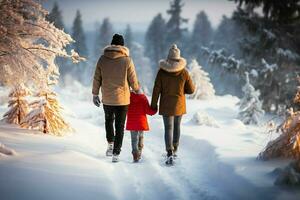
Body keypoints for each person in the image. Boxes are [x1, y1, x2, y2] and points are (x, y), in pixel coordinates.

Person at [92, 34, 140, 163]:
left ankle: (110, 145)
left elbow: (97, 78)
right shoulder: (127, 60)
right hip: (122, 99)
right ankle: (116, 154)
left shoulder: (102, 59)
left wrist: (95, 94)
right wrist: (137, 90)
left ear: (111, 45)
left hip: (107, 98)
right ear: (122, 46)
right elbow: (133, 79)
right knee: (120, 125)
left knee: (109, 121)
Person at [151, 44, 195, 165]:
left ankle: (169, 152)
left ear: (168, 58)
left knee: (168, 128)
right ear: (179, 57)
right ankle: (175, 149)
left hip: (166, 105)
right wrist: (181, 91)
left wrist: (153, 105)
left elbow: (156, 89)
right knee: (177, 126)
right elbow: (191, 90)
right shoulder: (184, 72)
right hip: (179, 104)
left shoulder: (162, 72)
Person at [126, 89, 157, 162]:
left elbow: (125, 109)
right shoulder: (143, 98)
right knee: (140, 137)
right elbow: (149, 111)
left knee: (134, 139)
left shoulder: (127, 97)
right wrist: (155, 109)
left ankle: (135, 155)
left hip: (132, 122)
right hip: (141, 122)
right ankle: (139, 152)